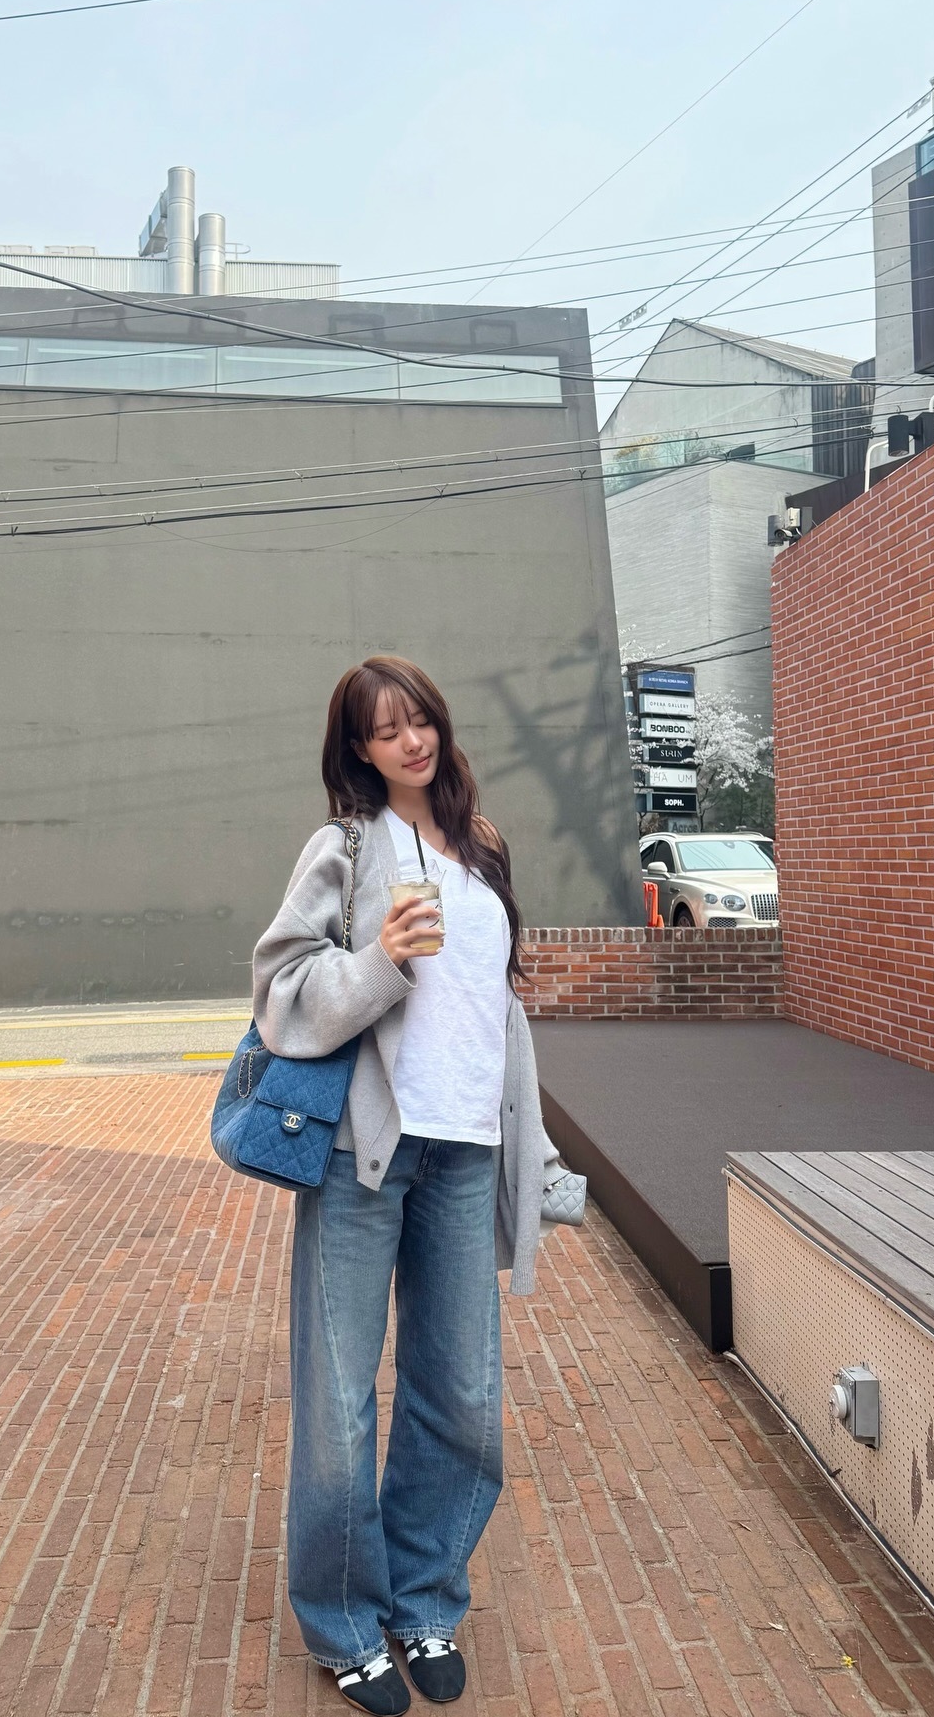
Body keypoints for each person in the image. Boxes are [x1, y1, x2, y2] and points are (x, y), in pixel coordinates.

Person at [253, 655, 563, 1712]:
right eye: (386, 730)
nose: (411, 742)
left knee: (463, 1393)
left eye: (420, 719)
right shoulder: (345, 848)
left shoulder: (483, 845)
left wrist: (536, 1152)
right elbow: (280, 988)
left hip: (466, 1150)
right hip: (364, 1154)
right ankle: (345, 1623)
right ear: (360, 749)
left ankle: (424, 1597)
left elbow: (497, 1014)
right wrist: (381, 958)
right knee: (339, 1400)